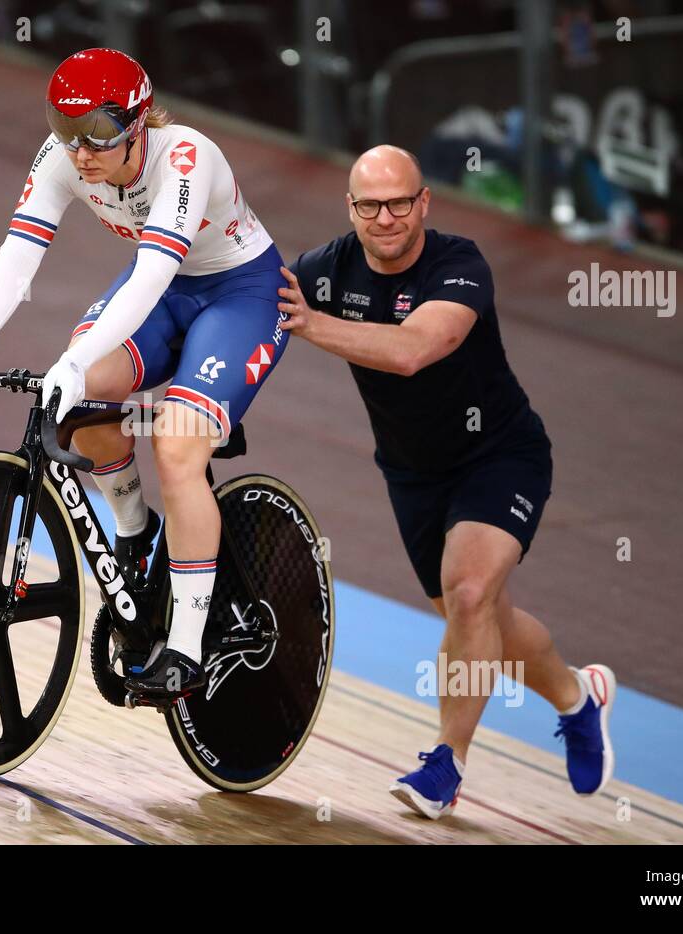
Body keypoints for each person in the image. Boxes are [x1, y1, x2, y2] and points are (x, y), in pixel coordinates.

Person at [0, 49, 289, 700]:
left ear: (138, 123)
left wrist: (78, 361)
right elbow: (17, 256)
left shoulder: (187, 158)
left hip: (240, 296)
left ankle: (189, 647)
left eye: (98, 134)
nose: (80, 152)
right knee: (75, 401)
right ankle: (135, 531)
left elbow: (149, 277)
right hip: (164, 289)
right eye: (65, 128)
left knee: (175, 446)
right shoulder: (63, 157)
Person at [279, 145, 615, 819]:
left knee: (468, 594)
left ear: (423, 202)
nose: (386, 217)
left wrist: (314, 325)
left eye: (400, 202)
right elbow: (252, 315)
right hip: (411, 474)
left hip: (500, 455)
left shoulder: (460, 265)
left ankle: (446, 767)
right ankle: (578, 699)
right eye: (370, 205)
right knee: (485, 619)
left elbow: (411, 350)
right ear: (351, 208)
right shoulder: (323, 268)